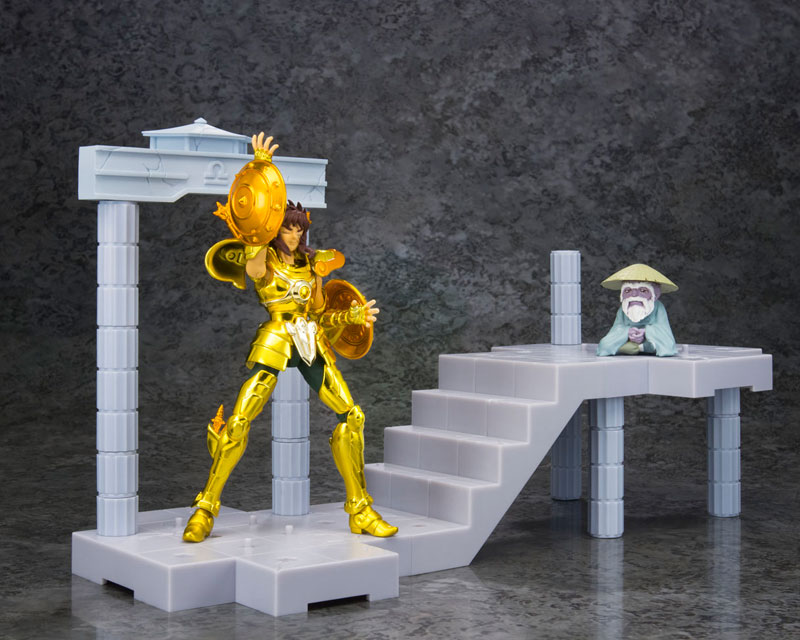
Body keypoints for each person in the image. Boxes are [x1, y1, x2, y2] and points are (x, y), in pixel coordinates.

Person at [183, 135, 397, 542]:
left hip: (309, 339)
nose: (295, 235)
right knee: (240, 420)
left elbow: (318, 312)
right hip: (276, 336)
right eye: (288, 228)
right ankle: (205, 508)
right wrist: (260, 169)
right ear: (276, 227)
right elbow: (254, 253)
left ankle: (360, 510)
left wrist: (351, 316)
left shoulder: (311, 266)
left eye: (299, 229)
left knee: (352, 416)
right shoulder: (261, 256)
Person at [596, 263, 679, 357]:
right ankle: (635, 348)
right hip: (627, 340)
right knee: (605, 345)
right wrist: (627, 332)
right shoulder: (624, 308)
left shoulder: (658, 307)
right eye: (628, 290)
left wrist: (645, 332)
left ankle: (643, 347)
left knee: (666, 345)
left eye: (643, 290)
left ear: (655, 295)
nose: (634, 294)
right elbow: (616, 329)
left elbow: (663, 330)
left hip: (650, 339)